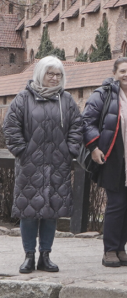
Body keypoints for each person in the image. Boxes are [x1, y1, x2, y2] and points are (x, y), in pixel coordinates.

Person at [3, 56, 83, 274]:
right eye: (50, 74)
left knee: (51, 211)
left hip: (58, 164)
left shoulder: (66, 100)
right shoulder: (23, 99)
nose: (54, 78)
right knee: (29, 211)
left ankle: (45, 256)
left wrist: (70, 151)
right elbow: (10, 127)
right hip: (30, 165)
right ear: (40, 74)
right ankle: (29, 256)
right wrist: (23, 151)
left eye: (58, 74)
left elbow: (77, 126)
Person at [83, 57, 127, 268]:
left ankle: (121, 248)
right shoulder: (103, 94)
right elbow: (87, 122)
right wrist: (94, 147)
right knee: (116, 204)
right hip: (111, 156)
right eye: (123, 71)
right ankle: (109, 250)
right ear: (115, 73)